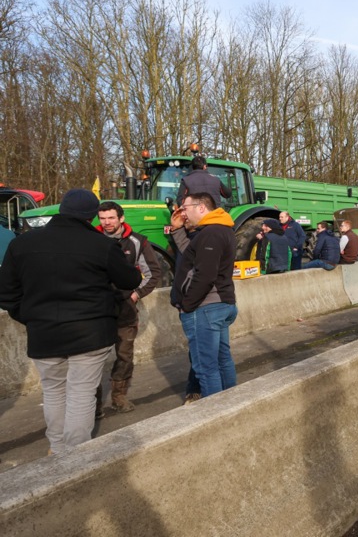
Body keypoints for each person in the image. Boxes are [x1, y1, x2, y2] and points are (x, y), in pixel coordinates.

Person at [0, 189, 141, 454]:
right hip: (90, 332)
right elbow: (130, 280)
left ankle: (57, 448)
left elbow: (6, 294)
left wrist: (31, 317)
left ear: (61, 209)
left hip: (43, 333)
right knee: (81, 393)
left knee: (53, 391)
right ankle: (75, 455)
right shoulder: (101, 244)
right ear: (91, 216)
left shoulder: (22, 244)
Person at [95, 201, 162, 414]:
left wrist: (135, 295)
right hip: (96, 311)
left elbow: (153, 274)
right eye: (103, 218)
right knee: (92, 359)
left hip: (125, 309)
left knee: (124, 355)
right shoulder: (91, 239)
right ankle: (92, 403)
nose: (106, 223)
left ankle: (119, 396)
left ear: (121, 218)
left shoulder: (137, 242)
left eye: (111, 218)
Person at [169, 192, 238, 398]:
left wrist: (187, 305)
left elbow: (205, 275)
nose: (183, 214)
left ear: (201, 208)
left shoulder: (211, 233)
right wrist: (177, 230)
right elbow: (192, 255)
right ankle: (232, 405)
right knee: (221, 359)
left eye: (185, 208)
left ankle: (216, 417)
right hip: (221, 303)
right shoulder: (219, 230)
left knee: (206, 369)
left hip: (205, 307)